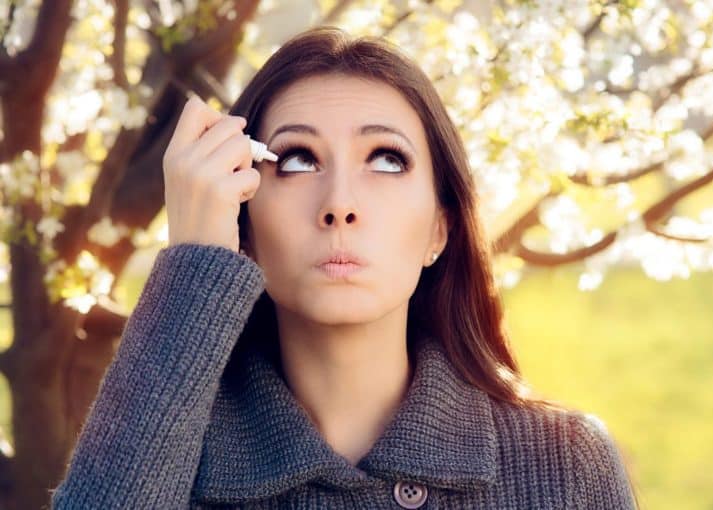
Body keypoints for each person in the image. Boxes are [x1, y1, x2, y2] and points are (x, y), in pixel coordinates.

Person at [50, 26, 639, 509]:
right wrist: (194, 268)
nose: (339, 204)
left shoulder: (565, 465)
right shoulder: (166, 465)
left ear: (440, 228)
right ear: (243, 225)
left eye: (385, 160)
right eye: (297, 160)